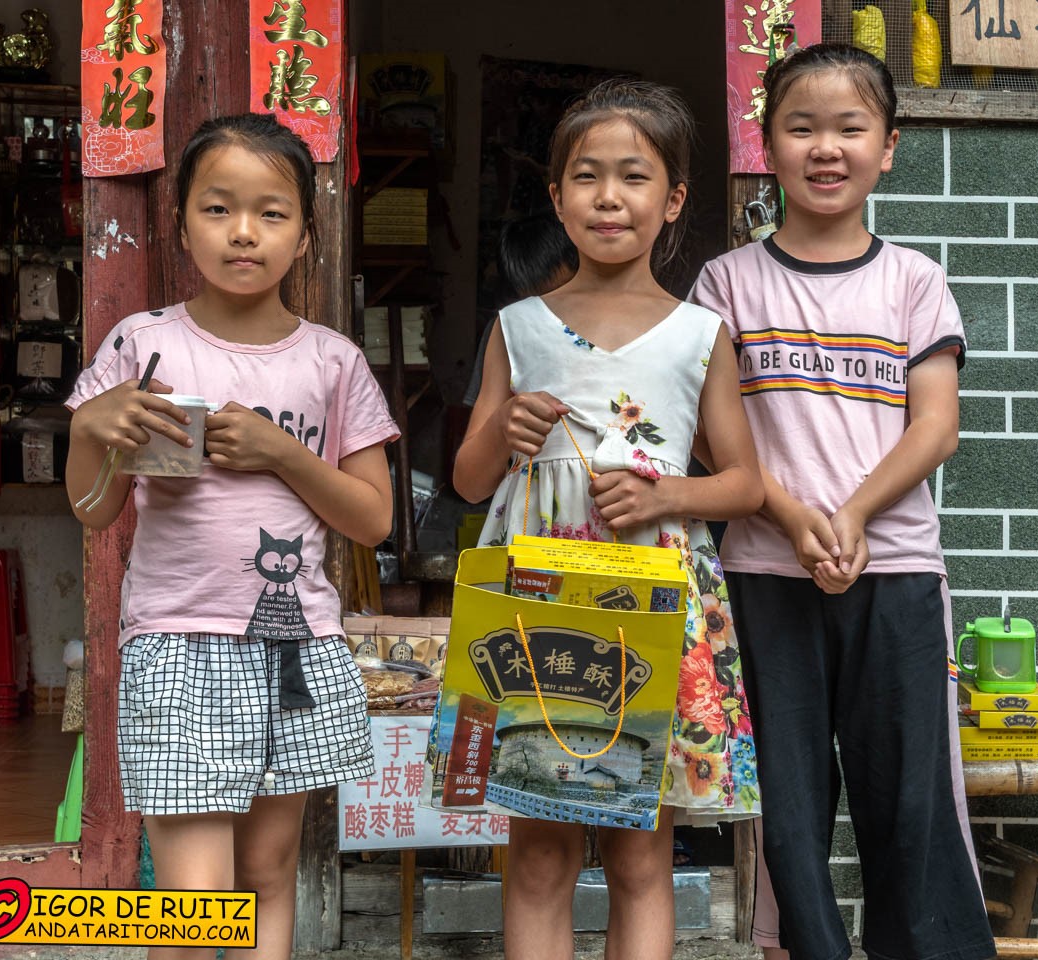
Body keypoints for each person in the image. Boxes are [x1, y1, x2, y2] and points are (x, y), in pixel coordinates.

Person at [65, 113, 398, 960]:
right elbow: (94, 512)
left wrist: (285, 454)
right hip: (178, 641)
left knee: (271, 869)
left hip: (292, 646)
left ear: (306, 235)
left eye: (271, 213)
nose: (244, 232)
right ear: (180, 225)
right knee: (195, 899)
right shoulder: (143, 346)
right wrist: (90, 432)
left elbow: (372, 518)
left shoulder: (331, 362)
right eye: (217, 209)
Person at [690, 44, 996, 960]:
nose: (827, 148)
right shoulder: (727, 284)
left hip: (895, 571)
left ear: (889, 146)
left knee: (909, 798)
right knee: (785, 804)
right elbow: (712, 440)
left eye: (851, 128)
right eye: (802, 127)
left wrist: (855, 515)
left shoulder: (912, 280)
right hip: (762, 572)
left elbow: (935, 427)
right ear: (768, 143)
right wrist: (789, 517)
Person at [454, 79, 764, 960]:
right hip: (540, 601)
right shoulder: (517, 327)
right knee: (540, 851)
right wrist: (505, 431)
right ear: (557, 197)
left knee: (640, 853)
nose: (608, 197)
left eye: (633, 177)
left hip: (655, 600)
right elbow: (473, 481)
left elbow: (743, 483)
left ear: (671, 202)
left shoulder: (701, 334)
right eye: (586, 177)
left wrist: (670, 494)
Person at [462, 211, 578, 407]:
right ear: (518, 295)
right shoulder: (506, 329)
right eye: (537, 302)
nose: (552, 312)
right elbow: (485, 420)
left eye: (562, 295)